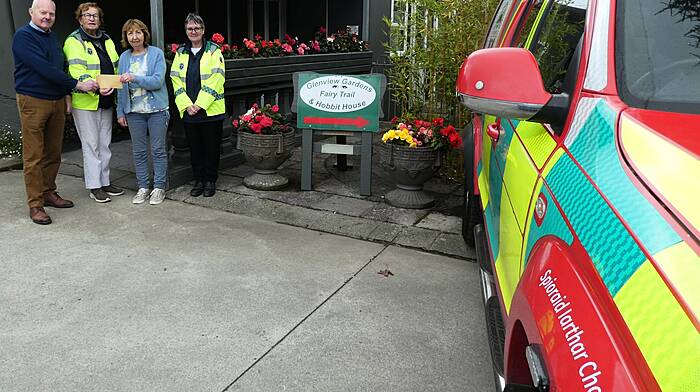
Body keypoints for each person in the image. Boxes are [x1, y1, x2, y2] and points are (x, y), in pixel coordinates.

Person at [12, 0, 98, 225]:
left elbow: (59, 67)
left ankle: (49, 192)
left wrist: (66, 95)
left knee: (53, 152)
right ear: (31, 12)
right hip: (33, 100)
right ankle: (35, 204)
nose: (47, 16)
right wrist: (76, 85)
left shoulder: (52, 37)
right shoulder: (23, 37)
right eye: (43, 12)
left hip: (56, 100)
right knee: (33, 156)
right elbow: (44, 68)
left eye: (51, 13)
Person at [63, 2, 123, 203]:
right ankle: (94, 185)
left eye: (95, 15)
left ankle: (105, 181)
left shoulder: (106, 39)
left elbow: (114, 67)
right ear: (80, 18)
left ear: (100, 19)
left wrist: (113, 84)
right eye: (87, 15)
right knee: (91, 145)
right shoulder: (74, 41)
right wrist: (98, 84)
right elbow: (76, 71)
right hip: (85, 101)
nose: (91, 18)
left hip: (106, 99)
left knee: (105, 143)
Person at [170, 13, 226, 198]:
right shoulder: (181, 52)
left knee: (211, 148)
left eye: (197, 28)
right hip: (189, 111)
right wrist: (187, 105)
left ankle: (210, 181)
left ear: (203, 30)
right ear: (186, 31)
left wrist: (200, 104)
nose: (193, 31)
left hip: (211, 111)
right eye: (190, 28)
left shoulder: (214, 50)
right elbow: (175, 80)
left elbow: (217, 78)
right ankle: (199, 180)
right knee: (195, 149)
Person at [116, 19, 169, 205]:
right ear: (126, 37)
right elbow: (120, 88)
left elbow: (157, 82)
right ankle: (143, 187)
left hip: (157, 110)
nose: (134, 36)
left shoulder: (156, 54)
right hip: (134, 112)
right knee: (138, 151)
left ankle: (159, 187)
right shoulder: (123, 58)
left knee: (158, 150)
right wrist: (120, 112)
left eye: (138, 32)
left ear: (144, 34)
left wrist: (134, 77)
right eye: (130, 33)